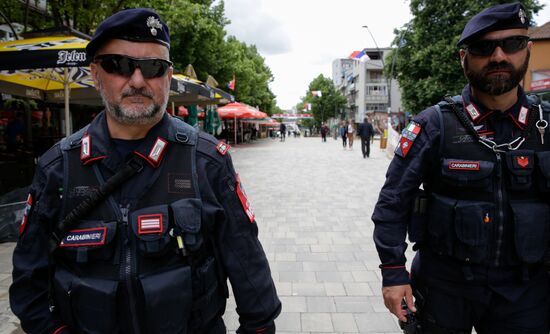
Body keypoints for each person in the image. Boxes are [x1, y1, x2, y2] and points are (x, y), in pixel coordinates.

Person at [9, 8, 281, 334]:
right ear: (95, 73)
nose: (137, 80)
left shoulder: (206, 162)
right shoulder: (57, 169)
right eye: (119, 65)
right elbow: (28, 285)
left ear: (168, 77)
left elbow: (252, 281)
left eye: (153, 67)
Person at [372, 3, 550, 333]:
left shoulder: (546, 125)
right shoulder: (434, 124)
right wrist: (394, 272)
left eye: (510, 44)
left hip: (526, 292)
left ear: (526, 49)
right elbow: (393, 203)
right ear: (463, 58)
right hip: (444, 286)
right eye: (483, 48)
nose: (498, 56)